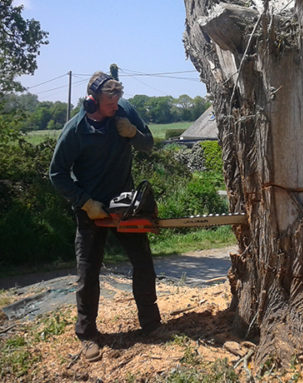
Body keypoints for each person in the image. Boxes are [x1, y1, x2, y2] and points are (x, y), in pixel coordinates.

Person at [49, 71, 162, 362]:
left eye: (118, 99)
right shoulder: (76, 130)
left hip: (125, 205)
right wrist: (85, 203)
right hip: (91, 209)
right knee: (88, 273)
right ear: (92, 101)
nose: (116, 106)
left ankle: (151, 325)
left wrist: (132, 134)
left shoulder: (124, 112)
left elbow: (148, 143)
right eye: (110, 102)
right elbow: (57, 173)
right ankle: (87, 335)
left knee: (143, 263)